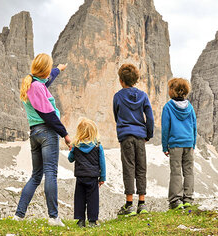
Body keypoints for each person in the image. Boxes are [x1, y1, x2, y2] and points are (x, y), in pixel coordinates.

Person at [14, 53, 71, 226]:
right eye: (49, 67)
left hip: (34, 134)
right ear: (44, 69)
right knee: (51, 174)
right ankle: (53, 217)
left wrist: (58, 70)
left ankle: (19, 215)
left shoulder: (32, 84)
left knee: (36, 176)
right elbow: (49, 116)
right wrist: (65, 135)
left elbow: (47, 80)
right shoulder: (38, 88)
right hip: (47, 133)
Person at [113, 63, 154, 216]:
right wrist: (148, 135)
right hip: (140, 136)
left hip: (126, 137)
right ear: (136, 80)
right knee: (141, 168)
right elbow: (149, 117)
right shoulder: (143, 96)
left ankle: (129, 204)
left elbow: (116, 116)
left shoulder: (117, 96)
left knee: (128, 168)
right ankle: (141, 204)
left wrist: (123, 129)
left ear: (121, 80)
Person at [161, 78, 197, 210]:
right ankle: (188, 199)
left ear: (172, 91)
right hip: (188, 143)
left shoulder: (168, 107)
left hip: (175, 144)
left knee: (176, 172)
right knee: (189, 171)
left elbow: (165, 128)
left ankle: (175, 200)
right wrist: (193, 144)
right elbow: (194, 127)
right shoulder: (190, 107)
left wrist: (165, 146)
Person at [68, 118, 106, 228]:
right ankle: (92, 221)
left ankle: (80, 220)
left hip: (80, 177)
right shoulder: (98, 146)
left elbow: (70, 159)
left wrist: (71, 150)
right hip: (93, 177)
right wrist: (102, 177)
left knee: (79, 198)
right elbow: (102, 162)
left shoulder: (76, 145)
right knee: (93, 199)